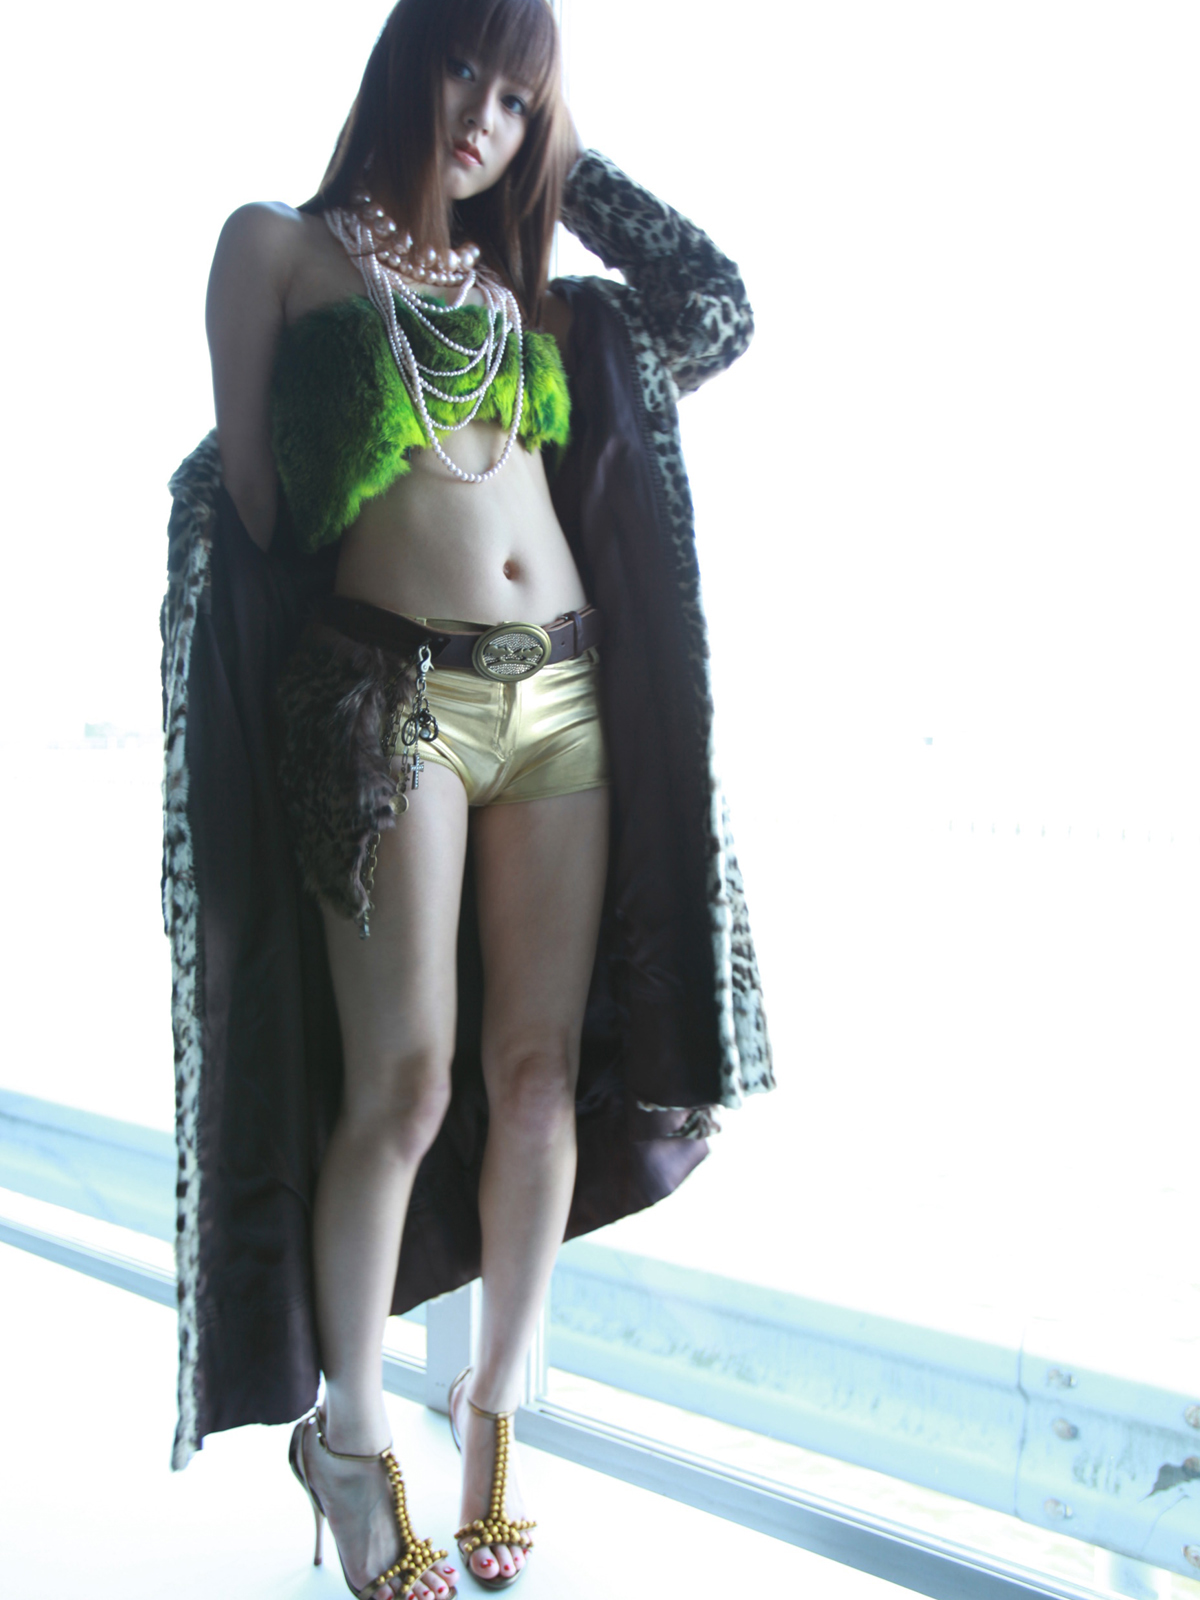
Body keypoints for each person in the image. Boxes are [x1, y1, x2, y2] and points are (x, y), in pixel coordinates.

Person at [162, 0, 773, 1596]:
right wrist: (356, 385)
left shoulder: (530, 291)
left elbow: (716, 306)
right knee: (407, 1084)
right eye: (462, 70)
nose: (482, 117)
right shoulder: (274, 247)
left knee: (539, 1078)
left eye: (518, 101)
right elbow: (256, 515)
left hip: (561, 696)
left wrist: (565, 165)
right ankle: (350, 1438)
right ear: (402, 60)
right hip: (386, 697)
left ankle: (496, 1404)